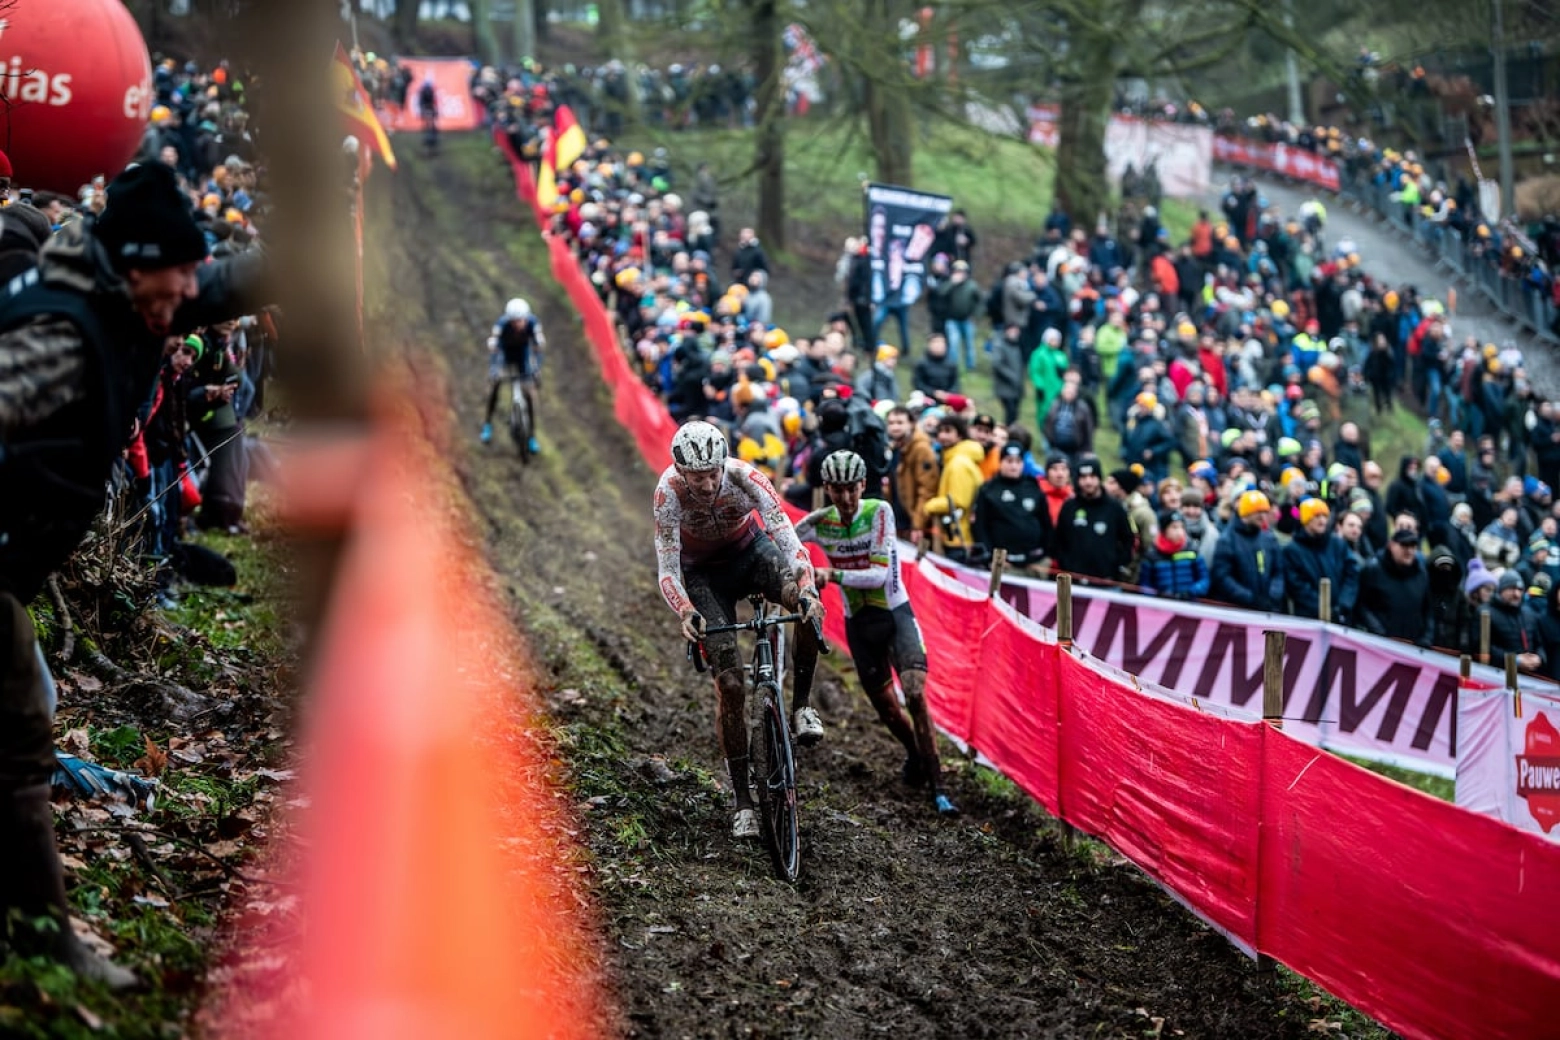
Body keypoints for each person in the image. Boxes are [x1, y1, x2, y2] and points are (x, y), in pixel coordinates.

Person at [0, 161, 263, 987]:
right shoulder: (54, 337)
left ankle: (41, 931)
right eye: (178, 277)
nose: (190, 296)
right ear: (139, 266)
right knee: (19, 728)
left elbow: (230, 280)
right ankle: (47, 938)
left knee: (23, 720)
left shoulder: (136, 286)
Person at [652, 421, 825, 840]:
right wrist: (686, 611)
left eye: (713, 473)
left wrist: (805, 582)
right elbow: (668, 568)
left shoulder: (745, 476)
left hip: (751, 553)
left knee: (805, 608)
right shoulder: (667, 494)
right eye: (698, 477)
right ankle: (743, 800)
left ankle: (801, 705)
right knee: (730, 684)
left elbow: (783, 532)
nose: (708, 484)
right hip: (702, 578)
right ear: (680, 471)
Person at [796, 451, 956, 815]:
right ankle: (916, 755)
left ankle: (939, 784)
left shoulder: (879, 512)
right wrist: (795, 566)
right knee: (886, 709)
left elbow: (879, 575)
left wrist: (830, 575)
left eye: (851, 489)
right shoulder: (821, 522)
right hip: (860, 623)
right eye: (837, 491)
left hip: (895, 615)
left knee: (914, 693)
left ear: (863, 485)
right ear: (828, 490)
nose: (846, 499)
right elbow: (784, 542)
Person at [1050, 453, 1133, 583]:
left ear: (1099, 478)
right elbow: (1058, 540)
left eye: (1092, 476)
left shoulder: (1115, 508)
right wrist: (1066, 565)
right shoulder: (1069, 507)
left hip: (1106, 581)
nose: (1088, 482)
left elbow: (1128, 540)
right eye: (1083, 477)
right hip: (1074, 581)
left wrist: (1115, 566)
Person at [971, 444, 1048, 573]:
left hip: (1033, 563)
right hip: (1002, 564)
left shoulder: (1033, 487)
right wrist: (991, 556)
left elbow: (1046, 523)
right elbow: (980, 526)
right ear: (1001, 462)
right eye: (1009, 461)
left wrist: (1043, 555)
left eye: (1018, 461)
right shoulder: (988, 489)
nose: (1013, 466)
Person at [482, 297, 544, 452]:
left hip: (523, 355)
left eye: (521, 321)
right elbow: (494, 346)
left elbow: (538, 348)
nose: (518, 324)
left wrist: (536, 370)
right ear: (509, 320)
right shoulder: (501, 325)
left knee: (529, 393)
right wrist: (494, 371)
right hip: (505, 354)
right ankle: (487, 424)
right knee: (495, 386)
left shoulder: (533, 323)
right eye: (515, 321)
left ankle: (532, 436)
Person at [1282, 499, 1358, 622]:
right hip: (1309, 620)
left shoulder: (1338, 544)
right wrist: (1323, 609)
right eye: (1317, 516)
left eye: (1325, 516)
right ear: (1306, 520)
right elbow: (1297, 586)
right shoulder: (1292, 551)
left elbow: (1351, 574)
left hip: (1341, 618)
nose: (1322, 520)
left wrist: (1343, 605)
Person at [1211, 490, 1285, 612]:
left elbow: (1278, 571)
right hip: (1239, 611)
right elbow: (1222, 577)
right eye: (1258, 512)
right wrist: (1250, 598)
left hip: (1269, 610)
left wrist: (1273, 594)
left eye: (1265, 512)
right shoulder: (1227, 540)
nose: (1263, 517)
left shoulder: (1269, 539)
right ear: (1246, 513)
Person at [1357, 529, 1434, 645]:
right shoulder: (1373, 570)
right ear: (1391, 546)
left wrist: (1426, 637)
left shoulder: (1421, 574)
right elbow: (1361, 605)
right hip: (1380, 645)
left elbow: (1428, 610)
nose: (1409, 551)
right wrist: (1377, 630)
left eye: (1413, 546)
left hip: (1413, 647)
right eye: (1404, 545)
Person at [1483, 570, 1545, 673]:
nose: (1516, 594)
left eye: (1520, 590)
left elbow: (1539, 644)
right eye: (1512, 589)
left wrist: (1539, 658)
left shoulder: (1529, 614)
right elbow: (1483, 648)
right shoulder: (1486, 613)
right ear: (1501, 590)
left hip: (1528, 677)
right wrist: (1515, 660)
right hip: (1497, 674)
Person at [1140, 511, 1210, 600]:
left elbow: (1204, 580)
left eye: (1181, 527)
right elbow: (1145, 584)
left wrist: (1190, 592)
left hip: (1188, 605)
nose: (1179, 532)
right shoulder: (1152, 555)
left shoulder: (1192, 550)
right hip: (1161, 607)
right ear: (1164, 530)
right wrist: (1156, 596)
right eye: (1174, 527)